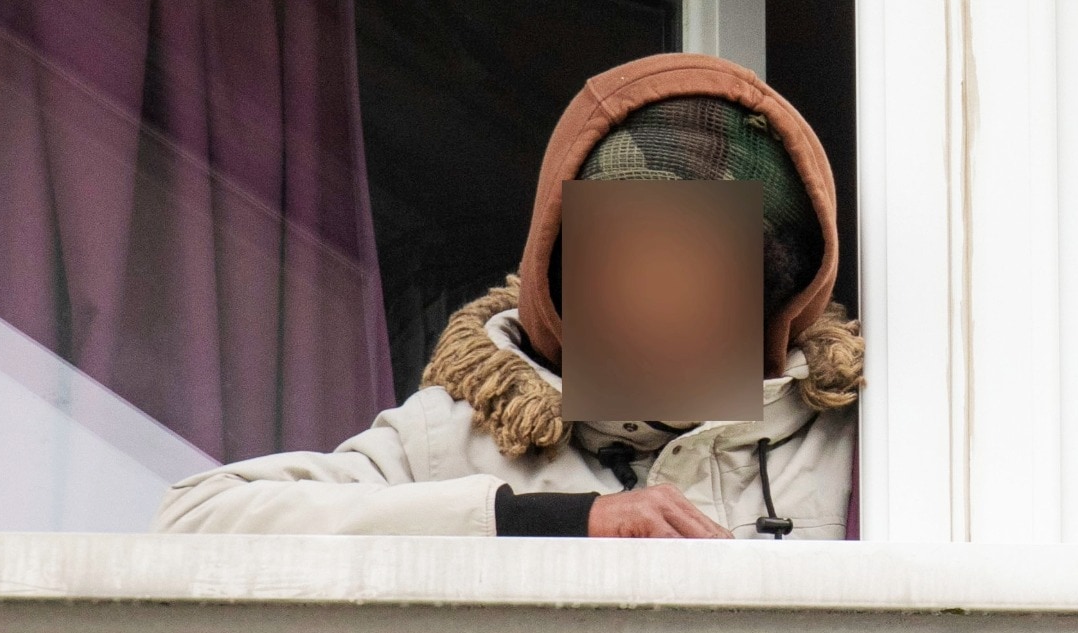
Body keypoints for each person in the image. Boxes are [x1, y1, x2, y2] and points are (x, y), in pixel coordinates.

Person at [152, 53, 862, 539]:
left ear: (770, 303)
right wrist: (548, 523)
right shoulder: (456, 440)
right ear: (564, 276)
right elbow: (196, 521)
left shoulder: (854, 444)